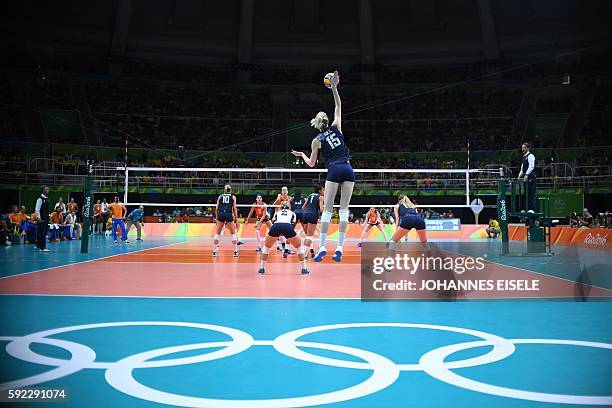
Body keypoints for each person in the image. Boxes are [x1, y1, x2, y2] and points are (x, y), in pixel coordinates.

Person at [291, 70, 354, 263]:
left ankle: (322, 247)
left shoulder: (316, 140)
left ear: (317, 124)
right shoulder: (337, 126)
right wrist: (334, 88)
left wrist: (302, 155)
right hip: (348, 168)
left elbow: (311, 164)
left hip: (334, 170)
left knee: (327, 211)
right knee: (344, 211)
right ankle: (341, 248)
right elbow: (338, 105)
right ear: (327, 121)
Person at [258, 201, 309, 275]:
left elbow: (274, 221)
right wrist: (288, 234)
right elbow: (292, 224)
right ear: (289, 207)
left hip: (276, 226)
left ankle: (261, 268)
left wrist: (277, 233)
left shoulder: (277, 212)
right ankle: (304, 268)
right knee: (298, 246)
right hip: (287, 226)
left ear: (281, 207)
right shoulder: (292, 213)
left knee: (266, 246)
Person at [213, 185, 238, 257]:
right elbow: (234, 209)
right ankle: (235, 251)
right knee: (233, 233)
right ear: (230, 190)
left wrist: (217, 219)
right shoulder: (233, 197)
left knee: (217, 233)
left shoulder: (220, 196)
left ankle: (214, 251)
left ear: (224, 190)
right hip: (228, 214)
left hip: (221, 214)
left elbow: (216, 208)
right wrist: (236, 220)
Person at [301, 184, 324, 260]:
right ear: (320, 191)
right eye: (323, 190)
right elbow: (321, 210)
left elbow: (303, 207)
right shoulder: (320, 197)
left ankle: (306, 254)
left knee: (307, 236)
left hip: (304, 215)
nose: (324, 191)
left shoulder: (310, 195)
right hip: (312, 216)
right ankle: (303, 256)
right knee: (309, 237)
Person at [517, 142, 536, 212]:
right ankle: (527, 208)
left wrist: (527, 175)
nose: (523, 149)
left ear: (528, 148)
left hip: (531, 177)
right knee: (526, 194)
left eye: (524, 148)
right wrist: (519, 176)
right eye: (522, 148)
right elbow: (522, 169)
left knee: (531, 193)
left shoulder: (531, 156)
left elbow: (531, 166)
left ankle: (532, 209)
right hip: (526, 177)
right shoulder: (524, 157)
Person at [273, 186, 292, 255]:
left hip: (287, 217)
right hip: (279, 217)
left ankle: (285, 247)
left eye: (285, 190)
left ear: (287, 191)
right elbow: (274, 205)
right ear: (281, 191)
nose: (284, 191)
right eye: (283, 190)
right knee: (279, 232)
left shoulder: (289, 198)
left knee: (287, 233)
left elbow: (290, 208)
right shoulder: (279, 198)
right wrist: (277, 199)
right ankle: (281, 246)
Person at [34, 185, 50, 252]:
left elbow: (47, 209)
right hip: (41, 219)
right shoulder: (40, 199)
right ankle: (42, 248)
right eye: (46, 189)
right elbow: (37, 209)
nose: (47, 190)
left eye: (48, 189)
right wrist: (38, 218)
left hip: (46, 218)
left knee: (44, 232)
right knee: (42, 233)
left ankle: (38, 245)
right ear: (43, 190)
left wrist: (48, 216)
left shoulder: (46, 199)